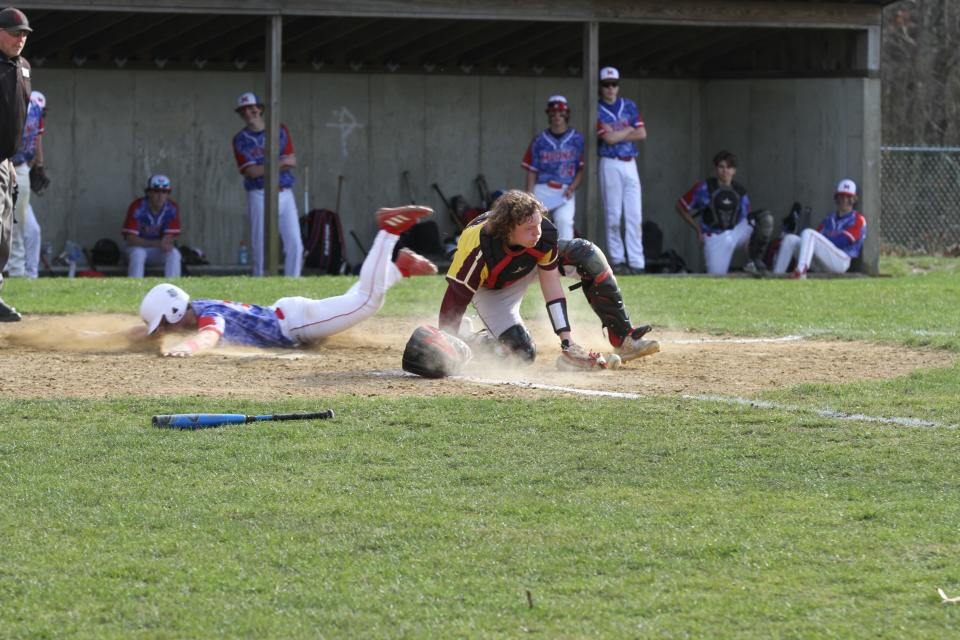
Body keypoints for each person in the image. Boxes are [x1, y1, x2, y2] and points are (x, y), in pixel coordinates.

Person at [134, 206, 438, 357]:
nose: (168, 331)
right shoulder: (200, 308)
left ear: (175, 311)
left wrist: (187, 349)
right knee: (354, 299)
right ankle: (400, 269)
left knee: (366, 301)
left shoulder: (208, 316)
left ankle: (389, 231)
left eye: (165, 324)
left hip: (294, 324)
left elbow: (209, 336)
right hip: (291, 317)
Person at [438, 189, 604, 369]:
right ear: (508, 229)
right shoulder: (478, 248)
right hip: (487, 288)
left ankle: (623, 335)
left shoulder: (545, 235)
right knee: (523, 353)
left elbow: (552, 287)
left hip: (522, 271)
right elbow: (454, 301)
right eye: (529, 229)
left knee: (586, 256)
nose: (537, 233)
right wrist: (446, 346)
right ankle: (472, 339)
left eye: (538, 225)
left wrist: (567, 341)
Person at [232, 91, 303, 277]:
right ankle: (259, 279)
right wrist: (280, 164)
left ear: (260, 109)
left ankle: (292, 282)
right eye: (244, 111)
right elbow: (251, 172)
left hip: (285, 192)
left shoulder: (279, 130)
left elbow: (292, 161)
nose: (248, 113)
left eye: (252, 109)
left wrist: (266, 166)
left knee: (295, 242)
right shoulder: (240, 139)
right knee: (260, 243)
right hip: (259, 193)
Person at [557, 237, 659, 362]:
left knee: (584, 251)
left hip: (535, 251)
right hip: (525, 262)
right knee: (527, 352)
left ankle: (624, 338)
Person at [675, 150, 774, 275]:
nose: (725, 170)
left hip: (736, 231)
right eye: (721, 167)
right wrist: (697, 229)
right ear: (716, 169)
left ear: (734, 171)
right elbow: (680, 206)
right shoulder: (704, 187)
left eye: (729, 167)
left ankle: (755, 261)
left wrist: (750, 241)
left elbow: (747, 218)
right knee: (717, 280)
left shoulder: (740, 191)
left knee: (764, 218)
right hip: (715, 238)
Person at [597, 66, 646, 275]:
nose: (610, 88)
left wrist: (619, 131)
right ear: (601, 87)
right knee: (614, 214)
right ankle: (617, 260)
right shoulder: (596, 108)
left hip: (630, 162)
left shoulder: (629, 105)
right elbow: (606, 138)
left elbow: (642, 133)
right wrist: (629, 129)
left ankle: (637, 262)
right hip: (610, 162)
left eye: (614, 84)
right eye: (606, 85)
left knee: (635, 215)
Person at [0, 6, 32, 322]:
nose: (19, 38)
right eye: (13, 32)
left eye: (23, 33)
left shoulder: (23, 67)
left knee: (5, 235)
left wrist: (9, 160)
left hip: (5, 162)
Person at [773, 178, 867, 279]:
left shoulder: (858, 219)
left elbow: (842, 241)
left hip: (841, 260)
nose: (844, 200)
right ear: (837, 198)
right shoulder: (829, 218)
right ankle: (776, 275)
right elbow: (814, 242)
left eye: (848, 197)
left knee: (809, 233)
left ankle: (800, 272)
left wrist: (822, 241)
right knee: (790, 238)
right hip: (822, 261)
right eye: (842, 196)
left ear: (854, 200)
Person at [522, 95, 584, 241]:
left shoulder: (577, 138)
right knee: (537, 224)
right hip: (543, 189)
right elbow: (532, 169)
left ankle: (566, 261)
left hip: (565, 189)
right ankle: (540, 261)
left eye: (561, 113)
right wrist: (530, 194)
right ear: (548, 114)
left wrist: (572, 187)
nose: (557, 116)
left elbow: (581, 169)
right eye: (553, 113)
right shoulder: (540, 139)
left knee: (564, 221)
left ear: (567, 114)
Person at [6, 89, 43, 279]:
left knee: (22, 224)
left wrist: (37, 164)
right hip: (8, 163)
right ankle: (16, 269)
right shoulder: (7, 101)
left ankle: (20, 271)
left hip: (20, 167)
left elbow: (35, 140)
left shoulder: (35, 108)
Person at [122, 174, 182, 278]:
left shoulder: (171, 208)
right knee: (138, 253)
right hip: (135, 249)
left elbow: (169, 237)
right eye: (156, 191)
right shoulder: (137, 207)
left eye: (164, 192)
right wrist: (158, 243)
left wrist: (165, 243)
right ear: (149, 192)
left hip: (156, 251)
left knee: (174, 253)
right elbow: (131, 239)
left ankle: (172, 288)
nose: (160, 196)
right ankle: (134, 286)